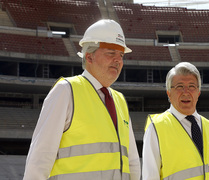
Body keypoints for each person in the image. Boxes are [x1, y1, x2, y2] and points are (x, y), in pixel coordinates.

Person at [23, 19, 141, 180]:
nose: (118, 60)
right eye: (111, 53)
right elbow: (40, 158)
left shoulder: (119, 100)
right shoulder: (65, 91)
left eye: (121, 55)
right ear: (89, 57)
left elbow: (132, 161)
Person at [143, 62, 209, 180]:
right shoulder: (157, 126)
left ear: (198, 92)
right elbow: (150, 176)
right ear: (169, 93)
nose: (186, 92)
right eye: (179, 86)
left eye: (191, 86)